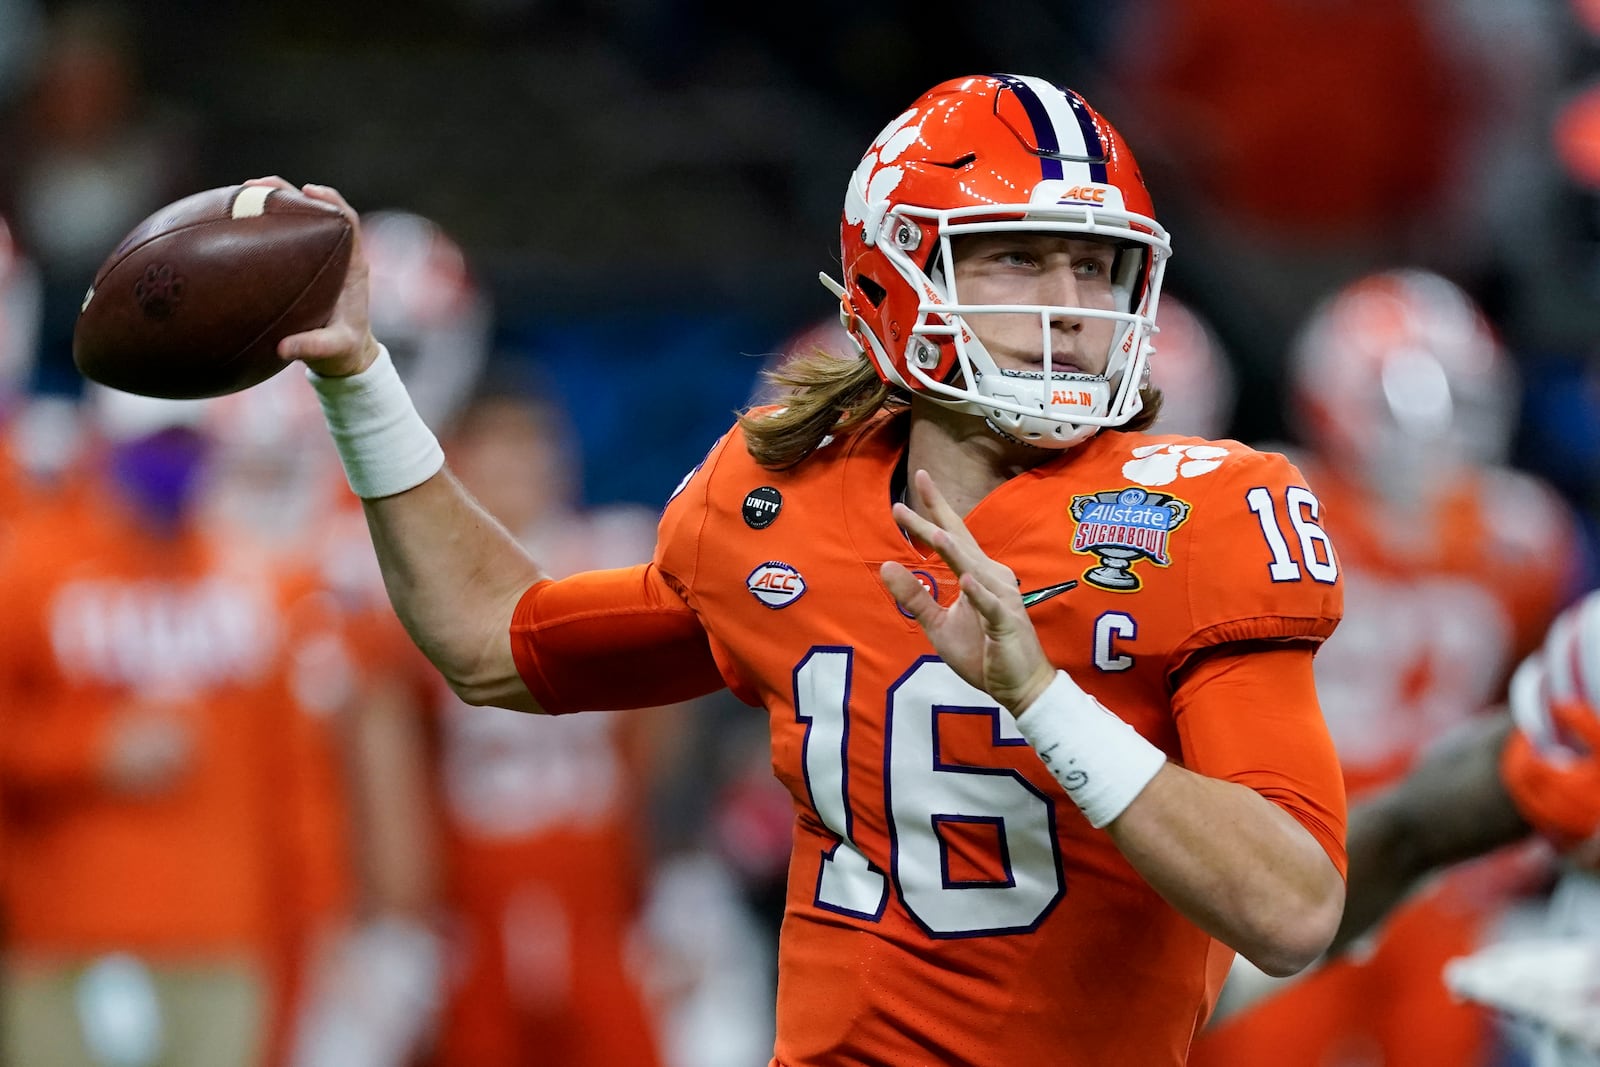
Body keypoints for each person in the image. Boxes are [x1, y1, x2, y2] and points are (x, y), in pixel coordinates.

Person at [248, 73, 1349, 1065]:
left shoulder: (1199, 508)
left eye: (1096, 264)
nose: (1069, 302)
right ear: (898, 271)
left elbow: (1291, 906)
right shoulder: (782, 496)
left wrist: (1041, 699)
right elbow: (497, 642)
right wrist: (361, 381)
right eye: (1017, 253)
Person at [1190, 267, 1588, 1067]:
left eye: (1460, 403)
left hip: (1438, 863)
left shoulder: (1521, 534)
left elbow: (1532, 689)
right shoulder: (1268, 499)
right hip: (1290, 834)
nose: (1435, 434)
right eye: (1409, 404)